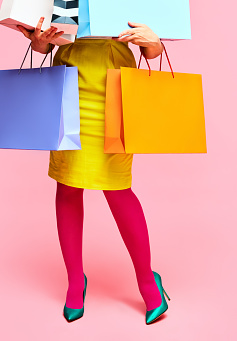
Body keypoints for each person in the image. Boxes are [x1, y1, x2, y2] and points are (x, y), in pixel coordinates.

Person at [17, 17, 170, 324]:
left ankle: (146, 278)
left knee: (117, 187)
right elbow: (43, 45)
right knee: (68, 183)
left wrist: (153, 41)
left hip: (116, 79)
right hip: (69, 76)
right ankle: (75, 281)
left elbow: (151, 52)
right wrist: (39, 40)